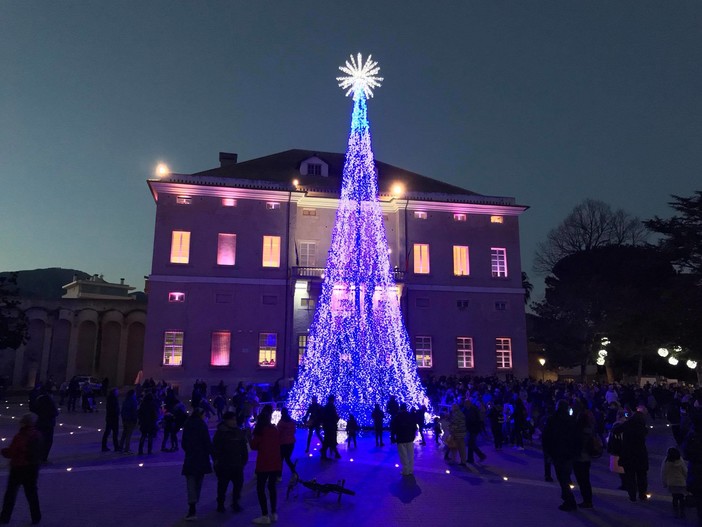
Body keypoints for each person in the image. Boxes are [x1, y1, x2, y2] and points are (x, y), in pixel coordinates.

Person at [0, 413, 42, 525]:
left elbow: (11, 452)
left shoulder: (20, 436)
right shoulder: (37, 434)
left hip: (19, 468)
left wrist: (3, 451)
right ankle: (36, 517)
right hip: (33, 467)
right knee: (32, 493)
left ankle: (5, 517)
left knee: (11, 494)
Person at [542, 399, 579, 511]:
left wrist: (548, 451)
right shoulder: (571, 420)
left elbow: (547, 437)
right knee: (566, 476)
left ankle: (569, 499)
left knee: (562, 477)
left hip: (558, 453)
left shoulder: (553, 420)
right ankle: (567, 496)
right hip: (568, 453)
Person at [249, 405, 282, 525]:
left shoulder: (259, 431)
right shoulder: (274, 429)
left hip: (264, 463)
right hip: (275, 462)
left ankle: (264, 515)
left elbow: (253, 446)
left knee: (260, 488)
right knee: (272, 488)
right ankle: (274, 513)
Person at [212, 411, 248, 513]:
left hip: (237, 464)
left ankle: (235, 502)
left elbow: (243, 447)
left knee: (238, 485)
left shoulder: (238, 432)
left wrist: (244, 460)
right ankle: (220, 504)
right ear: (226, 420)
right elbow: (215, 449)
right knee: (222, 486)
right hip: (224, 465)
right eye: (232, 419)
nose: (234, 421)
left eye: (235, 419)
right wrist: (217, 462)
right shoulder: (221, 433)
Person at [181, 407, 213, 521]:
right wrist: (212, 455)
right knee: (198, 482)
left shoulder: (187, 424)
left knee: (190, 482)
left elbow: (184, 443)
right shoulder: (202, 425)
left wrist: (189, 450)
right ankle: (194, 504)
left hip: (190, 458)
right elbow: (207, 442)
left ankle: (192, 506)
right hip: (202, 458)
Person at [619, 406, 649, 502]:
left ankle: (632, 495)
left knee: (630, 476)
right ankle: (642, 494)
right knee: (642, 476)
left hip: (628, 454)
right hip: (640, 454)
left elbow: (617, 430)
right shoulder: (642, 428)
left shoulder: (627, 425)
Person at [573, 399, 595, 508]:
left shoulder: (580, 431)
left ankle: (587, 500)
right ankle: (588, 499)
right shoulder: (589, 429)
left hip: (580, 456)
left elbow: (577, 443)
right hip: (587, 456)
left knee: (582, 479)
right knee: (585, 478)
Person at [391, 403, 417, 476]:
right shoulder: (410, 417)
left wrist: (393, 437)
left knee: (403, 455)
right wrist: (413, 435)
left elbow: (393, 428)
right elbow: (414, 427)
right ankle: (410, 470)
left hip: (401, 438)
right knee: (411, 455)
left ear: (400, 408)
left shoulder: (397, 417)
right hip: (409, 438)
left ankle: (405, 470)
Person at [33, 387, 58, 463]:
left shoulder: (38, 399)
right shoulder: (49, 400)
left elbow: (34, 409)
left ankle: (38, 456)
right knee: (47, 441)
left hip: (40, 422)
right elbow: (55, 412)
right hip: (48, 423)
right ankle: (43, 457)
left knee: (39, 440)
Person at [662, 446, 687, 518]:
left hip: (672, 483)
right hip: (681, 483)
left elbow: (664, 473)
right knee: (681, 497)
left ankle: (675, 511)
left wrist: (664, 483)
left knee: (675, 497)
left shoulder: (666, 463)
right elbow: (685, 471)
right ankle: (682, 511)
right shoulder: (680, 462)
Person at [464, 398, 486, 464]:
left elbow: (472, 420)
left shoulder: (472, 410)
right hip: (473, 429)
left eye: (466, 404)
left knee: (471, 443)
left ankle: (478, 456)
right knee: (471, 444)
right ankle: (471, 458)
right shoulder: (470, 409)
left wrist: (466, 424)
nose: (465, 405)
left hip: (473, 429)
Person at [277, 408, 297, 477]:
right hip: (291, 443)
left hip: (283, 443)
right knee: (287, 458)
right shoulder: (292, 422)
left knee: (281, 459)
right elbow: (294, 431)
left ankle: (279, 475)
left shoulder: (281, 423)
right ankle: (293, 470)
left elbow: (278, 433)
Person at [321, 395, 341, 460]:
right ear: (333, 399)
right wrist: (338, 419)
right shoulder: (331, 406)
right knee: (331, 439)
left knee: (328, 440)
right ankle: (335, 453)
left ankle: (334, 453)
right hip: (331, 426)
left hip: (327, 426)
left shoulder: (326, 406)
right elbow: (335, 415)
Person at [119, 389, 138, 454]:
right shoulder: (133, 401)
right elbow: (134, 411)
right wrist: (135, 420)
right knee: (128, 435)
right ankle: (127, 449)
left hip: (125, 419)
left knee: (124, 433)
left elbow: (122, 411)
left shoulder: (125, 401)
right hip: (130, 420)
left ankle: (120, 447)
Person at [101, 388, 120, 452]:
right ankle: (116, 447)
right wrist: (117, 413)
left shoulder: (111, 399)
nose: (118, 393)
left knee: (108, 432)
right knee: (113, 433)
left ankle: (104, 446)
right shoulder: (113, 399)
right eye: (117, 392)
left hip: (110, 418)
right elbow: (114, 409)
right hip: (113, 418)